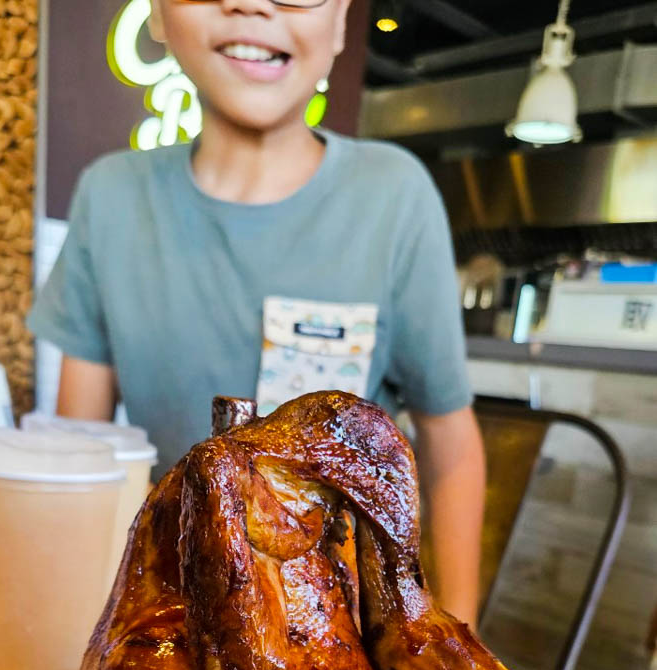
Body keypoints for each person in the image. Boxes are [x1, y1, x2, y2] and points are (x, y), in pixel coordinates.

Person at [28, 0, 485, 627]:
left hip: (333, 627)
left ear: (342, 23)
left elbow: (450, 441)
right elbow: (79, 443)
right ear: (157, 15)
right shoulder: (111, 196)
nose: (251, 2)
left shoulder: (392, 196)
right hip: (159, 611)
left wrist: (450, 634)